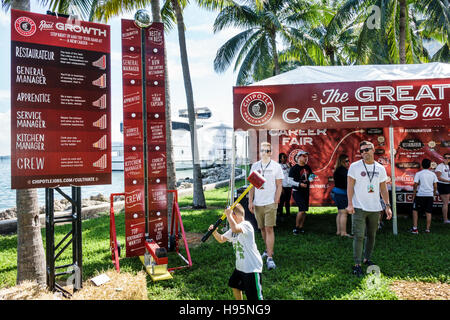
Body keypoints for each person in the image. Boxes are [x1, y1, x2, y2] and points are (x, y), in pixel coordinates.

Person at [346, 141, 392, 277]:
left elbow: (383, 188)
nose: (364, 152)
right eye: (362, 151)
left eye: (367, 149)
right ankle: (357, 264)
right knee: (359, 236)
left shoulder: (380, 168)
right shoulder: (354, 166)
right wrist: (349, 203)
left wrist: (387, 206)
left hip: (375, 208)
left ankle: (367, 258)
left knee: (372, 235)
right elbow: (350, 186)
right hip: (359, 207)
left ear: (373, 150)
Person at [209, 204, 263, 300]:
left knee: (254, 297)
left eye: (230, 216)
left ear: (234, 215)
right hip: (240, 267)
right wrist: (214, 232)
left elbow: (235, 229)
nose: (229, 219)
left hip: (251, 268)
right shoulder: (233, 229)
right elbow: (221, 239)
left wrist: (228, 215)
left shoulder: (246, 225)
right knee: (234, 284)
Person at [248, 142, 284, 270]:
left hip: (270, 202)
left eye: (267, 150)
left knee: (269, 228)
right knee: (262, 228)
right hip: (258, 203)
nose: (265, 152)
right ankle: (268, 250)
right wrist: (250, 201)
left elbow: (279, 185)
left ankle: (270, 257)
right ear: (260, 152)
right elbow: (251, 186)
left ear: (271, 152)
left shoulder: (276, 166)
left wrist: (276, 199)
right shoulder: (255, 166)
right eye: (262, 150)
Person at [289, 150, 314, 235]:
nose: (306, 158)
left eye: (306, 156)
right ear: (298, 157)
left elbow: (311, 175)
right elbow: (289, 181)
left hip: (306, 191)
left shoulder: (308, 167)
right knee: (302, 209)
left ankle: (301, 227)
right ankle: (296, 228)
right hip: (297, 191)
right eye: (304, 156)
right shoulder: (294, 168)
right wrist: (299, 184)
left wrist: (311, 178)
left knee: (304, 210)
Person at [410, 159, 438, 234]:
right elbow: (435, 186)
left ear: (421, 165)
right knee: (428, 212)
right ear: (429, 166)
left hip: (420, 195)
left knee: (415, 210)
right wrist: (434, 194)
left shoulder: (419, 173)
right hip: (429, 195)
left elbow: (415, 185)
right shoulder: (433, 174)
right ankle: (427, 229)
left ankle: (415, 229)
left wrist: (414, 194)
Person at [331, 154, 352, 237]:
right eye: (346, 161)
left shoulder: (338, 169)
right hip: (341, 194)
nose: (348, 163)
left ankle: (339, 232)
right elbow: (347, 183)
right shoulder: (343, 170)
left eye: (348, 161)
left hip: (337, 193)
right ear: (342, 161)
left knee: (340, 212)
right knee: (344, 213)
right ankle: (343, 233)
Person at [435, 152, 450, 224]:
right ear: (443, 158)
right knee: (445, 203)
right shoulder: (440, 166)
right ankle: (445, 219)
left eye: (448, 158)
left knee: (447, 202)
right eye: (445, 158)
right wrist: (448, 181)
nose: (447, 159)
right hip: (443, 185)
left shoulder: (449, 166)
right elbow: (438, 177)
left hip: (448, 184)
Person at [277, 153, 292, 222]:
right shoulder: (278, 166)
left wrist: (290, 167)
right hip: (283, 186)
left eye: (285, 157)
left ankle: (288, 214)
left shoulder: (287, 165)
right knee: (282, 201)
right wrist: (281, 187)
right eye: (284, 157)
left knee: (287, 201)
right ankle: (280, 214)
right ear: (280, 158)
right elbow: (278, 177)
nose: (285, 158)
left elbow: (291, 174)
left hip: (289, 185)